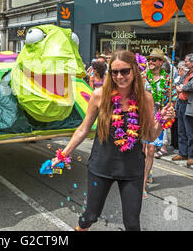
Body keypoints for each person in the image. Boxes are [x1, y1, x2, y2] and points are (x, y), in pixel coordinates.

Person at [52, 50, 175, 231]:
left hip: (132, 168)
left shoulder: (145, 98)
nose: (119, 76)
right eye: (115, 72)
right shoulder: (99, 95)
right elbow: (84, 129)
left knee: (133, 224)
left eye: (124, 71)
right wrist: (63, 155)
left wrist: (162, 121)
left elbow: (150, 136)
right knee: (89, 217)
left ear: (133, 70)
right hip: (102, 165)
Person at [143, 49, 177, 198]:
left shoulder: (168, 80)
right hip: (142, 115)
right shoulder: (142, 77)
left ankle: (142, 184)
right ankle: (146, 172)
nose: (151, 62)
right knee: (142, 150)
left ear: (161, 63)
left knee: (150, 150)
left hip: (158, 116)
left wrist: (168, 111)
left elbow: (173, 99)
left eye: (154, 59)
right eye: (149, 59)